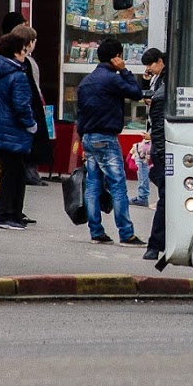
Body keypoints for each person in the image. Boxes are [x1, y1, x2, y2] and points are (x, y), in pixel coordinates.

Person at [76, 38, 146, 246]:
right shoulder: (113, 79)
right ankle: (126, 233)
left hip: (88, 137)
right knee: (117, 186)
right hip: (106, 138)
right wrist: (125, 71)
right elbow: (136, 93)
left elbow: (79, 114)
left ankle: (96, 231)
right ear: (116, 57)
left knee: (93, 185)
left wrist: (82, 141)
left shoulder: (86, 82)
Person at [0, 32, 38, 230]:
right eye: (24, 50)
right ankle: (7, 214)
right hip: (14, 132)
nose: (25, 54)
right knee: (15, 175)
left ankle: (11, 213)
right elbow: (22, 106)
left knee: (9, 172)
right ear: (17, 52)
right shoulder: (18, 76)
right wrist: (31, 124)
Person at [4, 14, 53, 193]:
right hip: (25, 111)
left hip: (25, 110)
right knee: (28, 145)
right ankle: (29, 174)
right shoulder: (20, 64)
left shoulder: (19, 61)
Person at [141, 47, 167, 261]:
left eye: (150, 64)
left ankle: (155, 244)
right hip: (163, 147)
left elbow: (158, 126)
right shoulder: (160, 81)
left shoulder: (164, 85)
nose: (149, 69)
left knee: (165, 199)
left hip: (163, 149)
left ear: (160, 61)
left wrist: (156, 149)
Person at [130, 136, 151, 206]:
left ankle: (142, 197)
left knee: (142, 172)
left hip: (145, 150)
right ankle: (142, 196)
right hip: (146, 148)